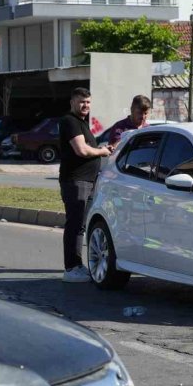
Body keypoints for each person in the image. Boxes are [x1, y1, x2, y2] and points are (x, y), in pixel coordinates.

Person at [59, 87, 113, 283]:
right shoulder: (70, 121)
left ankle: (76, 265)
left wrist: (99, 149)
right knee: (75, 224)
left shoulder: (81, 123)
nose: (85, 105)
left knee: (81, 225)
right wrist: (102, 152)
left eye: (88, 102)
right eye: (82, 101)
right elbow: (81, 150)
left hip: (87, 180)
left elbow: (86, 148)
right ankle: (71, 268)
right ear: (72, 101)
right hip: (76, 181)